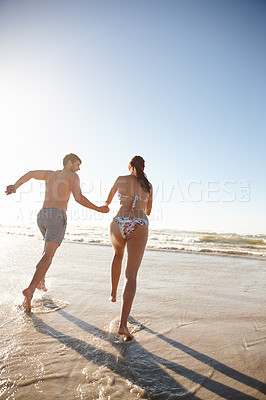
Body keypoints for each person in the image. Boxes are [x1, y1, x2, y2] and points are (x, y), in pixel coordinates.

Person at [5, 153, 109, 311]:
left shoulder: (49, 174)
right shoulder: (72, 176)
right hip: (57, 216)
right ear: (69, 163)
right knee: (48, 255)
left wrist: (15, 186)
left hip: (42, 216)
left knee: (46, 252)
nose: (79, 169)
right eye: (77, 165)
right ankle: (31, 289)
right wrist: (99, 209)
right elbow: (79, 198)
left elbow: (30, 174)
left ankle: (40, 280)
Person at [104, 156, 152, 339]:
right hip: (139, 223)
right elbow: (148, 211)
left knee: (117, 256)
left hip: (119, 222)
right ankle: (123, 324)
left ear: (129, 166)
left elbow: (108, 201)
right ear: (144, 167)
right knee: (131, 275)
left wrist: (106, 206)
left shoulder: (120, 179)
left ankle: (113, 293)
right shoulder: (148, 186)